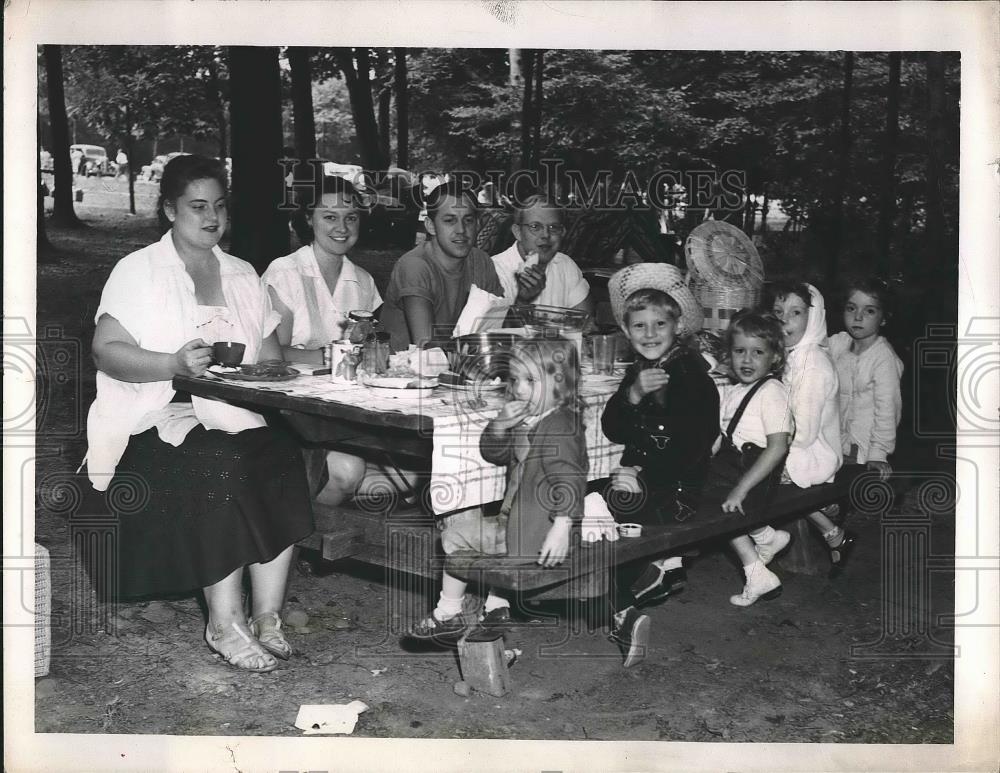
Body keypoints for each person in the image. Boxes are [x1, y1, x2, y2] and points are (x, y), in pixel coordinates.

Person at [81, 154, 314, 673]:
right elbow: (106, 351)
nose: (212, 218)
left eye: (220, 207)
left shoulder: (243, 273)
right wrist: (172, 362)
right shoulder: (138, 270)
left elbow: (269, 358)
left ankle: (267, 615)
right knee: (221, 462)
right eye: (197, 207)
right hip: (153, 417)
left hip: (232, 413)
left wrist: (270, 373)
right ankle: (224, 623)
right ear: (170, 210)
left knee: (279, 454)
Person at [407, 337, 587, 639]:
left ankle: (453, 611)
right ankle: (490, 606)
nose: (519, 388)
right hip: (517, 521)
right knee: (464, 537)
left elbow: (570, 479)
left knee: (456, 538)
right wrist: (500, 426)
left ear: (561, 383)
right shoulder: (530, 417)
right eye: (515, 379)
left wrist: (562, 526)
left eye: (530, 380)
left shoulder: (560, 426)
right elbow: (496, 454)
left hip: (540, 531)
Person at [262, 176, 412, 508]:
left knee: (413, 474)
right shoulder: (285, 273)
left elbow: (375, 352)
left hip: (346, 411)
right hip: (289, 413)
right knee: (347, 470)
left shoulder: (362, 281)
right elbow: (272, 357)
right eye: (329, 216)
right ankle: (293, 540)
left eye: (351, 217)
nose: (342, 226)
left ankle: (312, 533)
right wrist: (333, 356)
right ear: (307, 219)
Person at [601, 263, 719, 666]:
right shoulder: (641, 370)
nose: (649, 334)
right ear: (627, 330)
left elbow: (694, 447)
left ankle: (625, 606)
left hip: (680, 491)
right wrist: (632, 394)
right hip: (649, 481)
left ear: (677, 325)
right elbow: (613, 428)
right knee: (590, 507)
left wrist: (641, 476)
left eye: (659, 324)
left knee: (602, 523)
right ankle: (642, 587)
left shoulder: (689, 374)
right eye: (639, 326)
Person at [711, 311, 794, 606]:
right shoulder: (736, 390)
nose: (747, 360)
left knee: (715, 507)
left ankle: (757, 572)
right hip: (734, 466)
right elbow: (727, 432)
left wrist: (741, 489)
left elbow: (777, 447)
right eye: (739, 351)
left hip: (757, 476)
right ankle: (765, 538)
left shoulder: (773, 392)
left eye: (758, 352)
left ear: (774, 357)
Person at [772, 282, 850, 571]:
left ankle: (763, 543)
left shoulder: (812, 364)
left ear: (814, 317)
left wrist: (776, 453)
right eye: (778, 311)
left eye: (795, 313)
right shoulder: (796, 355)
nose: (784, 320)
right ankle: (832, 533)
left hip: (815, 451)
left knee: (756, 469)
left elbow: (803, 430)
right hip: (801, 443)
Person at [380, 181, 506, 352]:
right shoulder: (415, 266)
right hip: (401, 372)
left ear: (477, 224)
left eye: (468, 220)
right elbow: (426, 344)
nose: (461, 230)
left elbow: (500, 327)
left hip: (459, 367)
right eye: (449, 220)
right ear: (430, 226)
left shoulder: (481, 261)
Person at [827, 276, 904, 477]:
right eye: (851, 308)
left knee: (839, 487)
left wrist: (878, 453)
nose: (858, 317)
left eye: (869, 311)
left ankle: (834, 505)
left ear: (884, 318)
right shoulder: (839, 343)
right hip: (834, 439)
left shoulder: (883, 357)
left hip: (861, 448)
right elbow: (813, 347)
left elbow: (888, 410)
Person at [491, 192, 593, 315]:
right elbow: (494, 329)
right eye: (535, 226)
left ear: (562, 233)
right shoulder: (494, 271)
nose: (545, 235)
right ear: (518, 232)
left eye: (553, 227)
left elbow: (584, 321)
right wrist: (522, 301)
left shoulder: (565, 264)